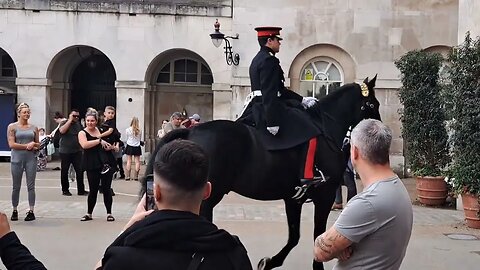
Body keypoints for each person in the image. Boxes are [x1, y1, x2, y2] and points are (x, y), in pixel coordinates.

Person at [96, 140, 252, 270]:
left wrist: (128, 228)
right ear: (207, 191)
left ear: (155, 192)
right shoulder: (232, 254)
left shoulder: (122, 258)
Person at [314, 119, 413, 269]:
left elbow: (320, 252)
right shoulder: (396, 187)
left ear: (354, 152)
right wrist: (340, 245)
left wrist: (337, 245)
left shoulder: (368, 203)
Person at [237, 26, 321, 197]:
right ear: (269, 41)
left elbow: (279, 90)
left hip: (259, 105)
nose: (279, 43)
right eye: (277, 40)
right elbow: (269, 93)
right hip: (268, 108)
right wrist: (272, 120)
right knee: (311, 132)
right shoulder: (269, 61)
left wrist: (301, 100)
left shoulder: (258, 59)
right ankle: (306, 176)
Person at [78, 110, 118, 222]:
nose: (90, 123)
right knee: (93, 189)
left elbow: (114, 138)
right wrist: (99, 141)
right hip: (91, 163)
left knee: (106, 189)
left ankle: (109, 213)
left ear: (96, 121)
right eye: (88, 121)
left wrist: (111, 146)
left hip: (105, 162)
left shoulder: (101, 130)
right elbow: (85, 145)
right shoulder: (82, 133)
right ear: (85, 121)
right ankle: (89, 213)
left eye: (92, 121)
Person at [7, 103, 39, 222]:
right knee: (16, 186)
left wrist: (34, 144)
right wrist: (27, 146)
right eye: (24, 112)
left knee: (31, 186)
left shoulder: (34, 127)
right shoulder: (12, 127)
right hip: (17, 158)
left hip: (31, 158)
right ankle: (15, 209)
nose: (27, 114)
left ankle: (31, 210)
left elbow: (38, 144)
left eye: (28, 112)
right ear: (19, 113)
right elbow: (11, 144)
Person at [58, 109, 88, 196]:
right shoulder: (64, 123)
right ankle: (65, 189)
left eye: (77, 116)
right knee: (65, 170)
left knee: (79, 170)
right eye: (74, 116)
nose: (76, 118)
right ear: (70, 115)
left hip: (77, 151)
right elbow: (62, 131)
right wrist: (70, 120)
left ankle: (81, 190)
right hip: (65, 151)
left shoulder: (78, 124)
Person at [98, 106, 120, 175]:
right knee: (107, 153)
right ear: (105, 113)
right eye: (109, 113)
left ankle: (106, 165)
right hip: (106, 140)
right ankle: (114, 166)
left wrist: (100, 136)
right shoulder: (104, 122)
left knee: (102, 151)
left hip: (109, 140)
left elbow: (110, 131)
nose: (111, 114)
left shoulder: (112, 122)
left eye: (112, 113)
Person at [124, 117, 142, 181]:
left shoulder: (127, 130)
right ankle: (136, 176)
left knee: (129, 161)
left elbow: (127, 138)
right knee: (137, 162)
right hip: (137, 146)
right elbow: (139, 139)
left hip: (130, 146)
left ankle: (127, 176)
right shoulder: (139, 130)